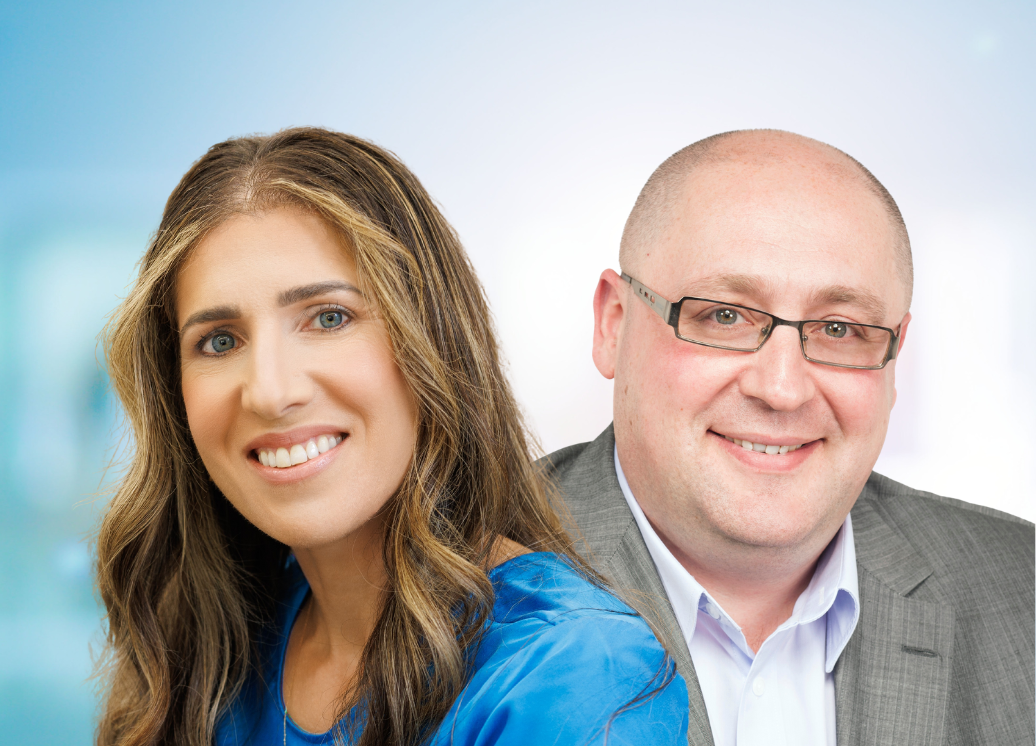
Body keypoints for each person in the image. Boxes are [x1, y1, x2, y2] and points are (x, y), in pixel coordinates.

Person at [92, 127, 687, 746]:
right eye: (219, 341)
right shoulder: (216, 649)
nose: (269, 392)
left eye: (329, 318)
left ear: (434, 341)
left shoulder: (575, 675)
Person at [543, 129, 1035, 746]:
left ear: (895, 359)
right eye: (724, 315)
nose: (781, 389)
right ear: (613, 325)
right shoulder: (452, 589)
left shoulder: (1023, 592)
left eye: (839, 329)